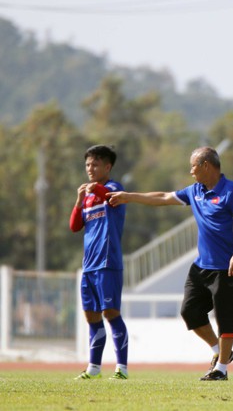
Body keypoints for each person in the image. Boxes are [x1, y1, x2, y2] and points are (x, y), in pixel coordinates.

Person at [107, 146, 233, 381]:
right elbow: (164, 198)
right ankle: (220, 352)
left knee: (226, 319)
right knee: (190, 312)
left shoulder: (232, 192)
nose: (190, 170)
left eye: (193, 165)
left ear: (206, 165)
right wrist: (129, 197)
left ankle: (221, 370)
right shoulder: (195, 191)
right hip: (201, 267)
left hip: (227, 267)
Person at [70, 145, 129, 380]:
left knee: (111, 312)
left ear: (108, 166)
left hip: (107, 262)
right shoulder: (87, 197)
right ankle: (93, 368)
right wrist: (78, 200)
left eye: (95, 164)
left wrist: (98, 189)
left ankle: (121, 368)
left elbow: (110, 196)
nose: (90, 169)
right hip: (89, 265)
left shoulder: (115, 189)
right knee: (91, 316)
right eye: (87, 165)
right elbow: (75, 226)